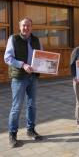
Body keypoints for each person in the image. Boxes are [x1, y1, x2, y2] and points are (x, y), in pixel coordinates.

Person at [4, 18, 43, 148]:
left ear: (31, 27)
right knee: (16, 107)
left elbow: (42, 56)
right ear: (20, 27)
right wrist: (22, 65)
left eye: (28, 26)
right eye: (24, 26)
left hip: (33, 77)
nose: (26, 28)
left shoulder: (36, 40)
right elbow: (7, 57)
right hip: (19, 77)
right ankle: (12, 134)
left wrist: (47, 65)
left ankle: (30, 130)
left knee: (32, 105)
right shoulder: (13, 39)